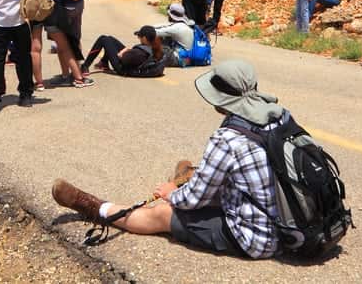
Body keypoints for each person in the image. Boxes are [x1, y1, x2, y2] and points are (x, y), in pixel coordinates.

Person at [51, 60, 288, 259]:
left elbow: (192, 201)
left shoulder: (227, 138)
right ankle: (189, 178)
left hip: (258, 238)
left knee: (163, 213)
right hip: (287, 225)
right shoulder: (278, 116)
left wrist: (171, 192)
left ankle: (97, 207)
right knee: (208, 181)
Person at [32, 0, 91, 89]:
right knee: (64, 46)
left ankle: (39, 83)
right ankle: (78, 78)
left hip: (37, 11)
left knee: (35, 48)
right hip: (54, 11)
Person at [85, 25, 175, 75]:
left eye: (139, 36)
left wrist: (123, 51)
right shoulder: (156, 47)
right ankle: (104, 63)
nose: (138, 38)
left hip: (123, 67)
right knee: (110, 39)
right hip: (137, 62)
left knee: (103, 39)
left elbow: (122, 58)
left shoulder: (141, 52)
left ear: (144, 38)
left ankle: (84, 67)